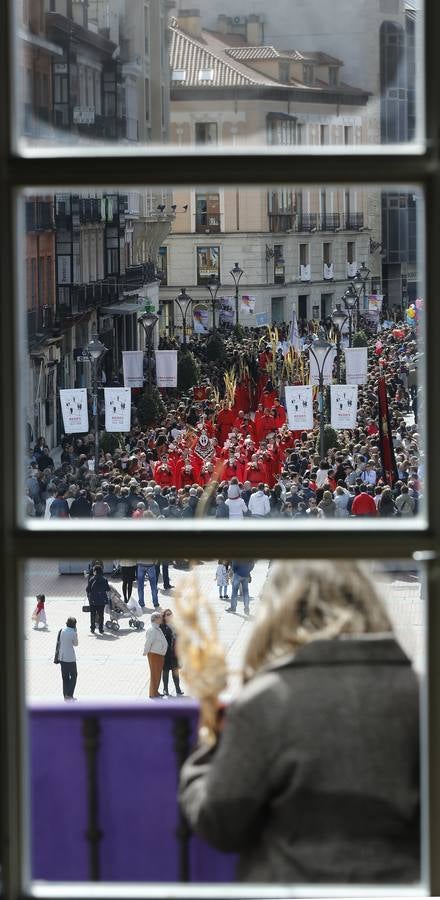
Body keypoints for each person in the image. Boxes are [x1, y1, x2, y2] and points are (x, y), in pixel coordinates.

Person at [179, 561, 420, 884]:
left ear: (281, 611)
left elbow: (221, 823)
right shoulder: (420, 690)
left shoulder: (268, 700)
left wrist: (207, 750)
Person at [142, 610, 168, 699]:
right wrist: (145, 652)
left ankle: (155, 691)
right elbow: (148, 642)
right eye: (160, 618)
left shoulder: (157, 628)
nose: (162, 619)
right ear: (156, 619)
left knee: (157, 674)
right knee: (154, 674)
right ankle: (152, 693)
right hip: (154, 655)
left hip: (159, 655)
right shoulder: (152, 629)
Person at [160, 609, 184, 697]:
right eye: (167, 614)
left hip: (175, 652)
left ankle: (178, 688)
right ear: (164, 617)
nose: (170, 615)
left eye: (171, 614)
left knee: (175, 671)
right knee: (165, 671)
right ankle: (165, 689)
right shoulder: (161, 626)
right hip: (166, 653)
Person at [86, 564, 111, 634]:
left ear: (95, 571)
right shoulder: (104, 579)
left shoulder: (91, 579)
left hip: (93, 600)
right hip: (101, 600)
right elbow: (107, 589)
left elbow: (88, 590)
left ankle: (92, 628)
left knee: (92, 615)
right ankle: (101, 629)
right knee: (101, 615)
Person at [59, 616, 78, 701]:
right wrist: (76, 633)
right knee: (73, 676)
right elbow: (76, 644)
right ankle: (70, 695)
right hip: (70, 658)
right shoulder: (73, 632)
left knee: (65, 677)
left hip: (62, 657)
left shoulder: (62, 630)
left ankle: (65, 695)